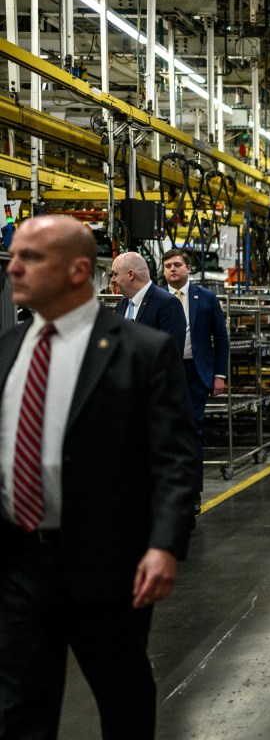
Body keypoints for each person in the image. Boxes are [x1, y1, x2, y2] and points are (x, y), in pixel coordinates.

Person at [0, 215, 195, 739]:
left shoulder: (140, 350)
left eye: (31, 257)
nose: (13, 266)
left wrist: (164, 544)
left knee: (122, 698)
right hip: (17, 564)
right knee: (17, 709)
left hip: (105, 563)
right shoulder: (8, 349)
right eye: (14, 255)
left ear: (78, 269)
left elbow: (175, 458)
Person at [162, 248, 229, 515]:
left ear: (188, 268)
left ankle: (192, 493)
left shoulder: (207, 298)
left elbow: (220, 338)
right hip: (165, 374)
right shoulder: (155, 299)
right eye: (167, 266)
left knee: (192, 433)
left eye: (177, 265)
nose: (172, 270)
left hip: (195, 373)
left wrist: (219, 375)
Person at [111, 251, 186, 355]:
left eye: (115, 274)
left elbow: (171, 355)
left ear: (131, 275)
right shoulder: (122, 304)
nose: (113, 280)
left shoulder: (168, 304)